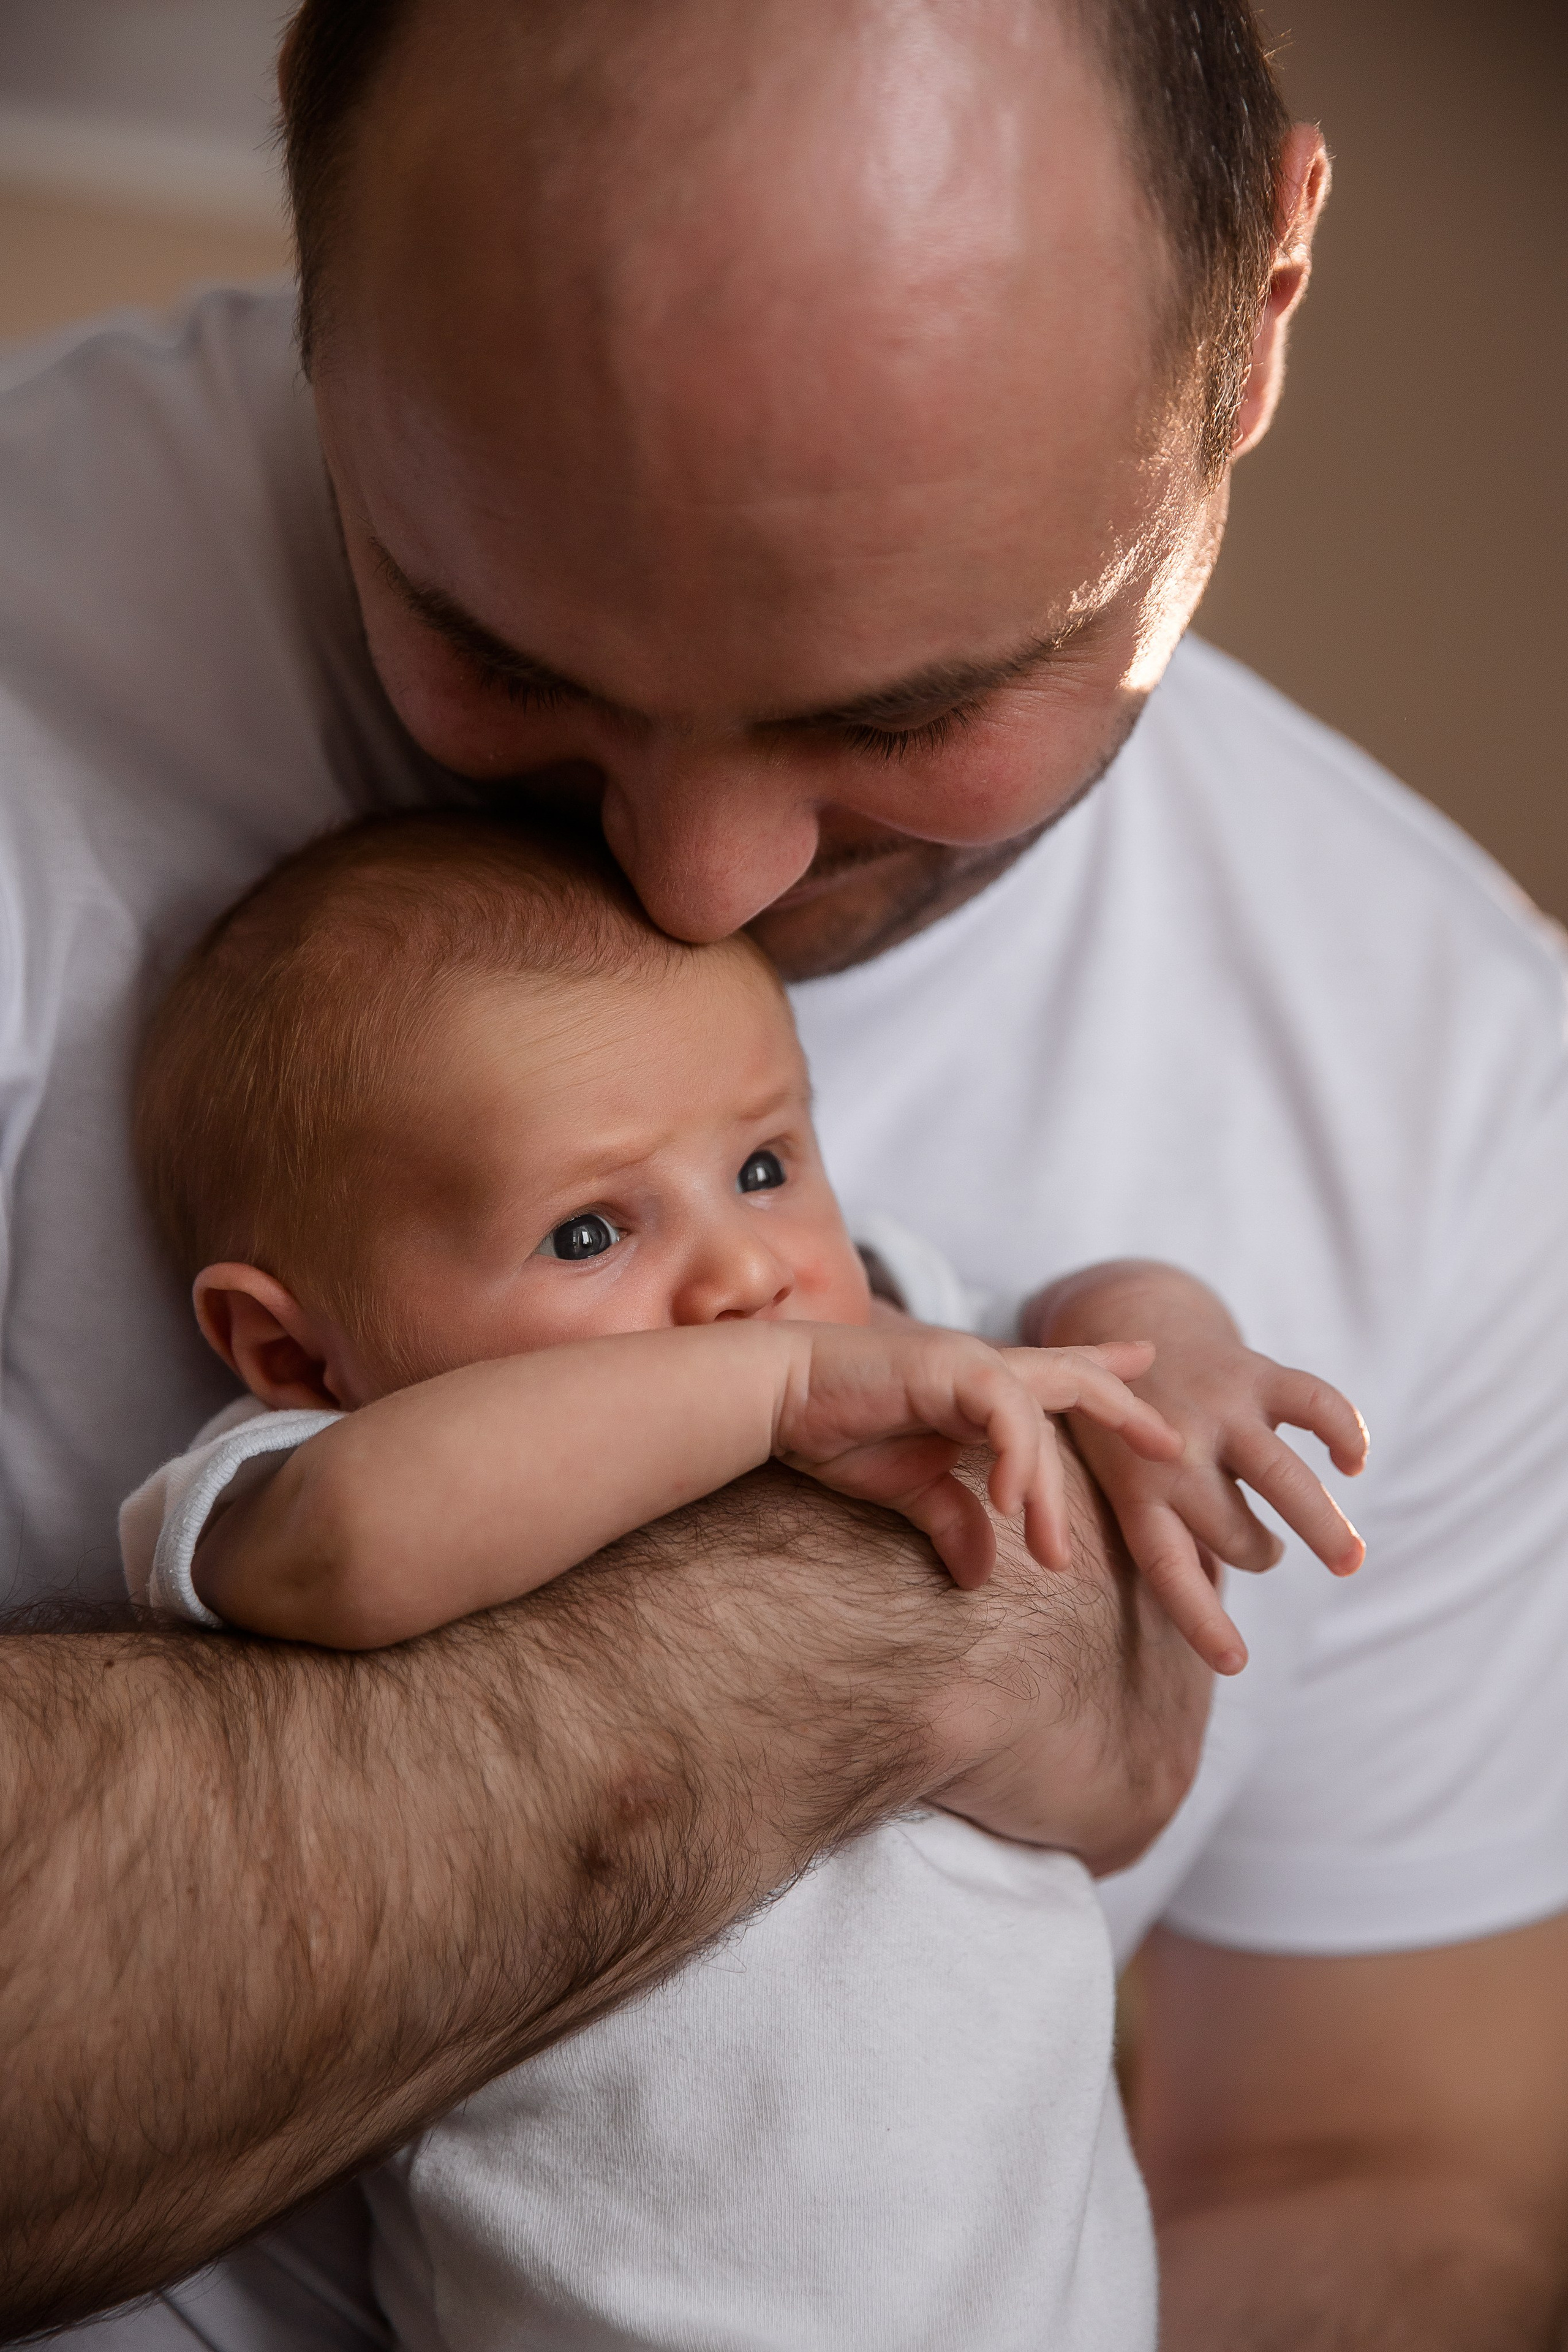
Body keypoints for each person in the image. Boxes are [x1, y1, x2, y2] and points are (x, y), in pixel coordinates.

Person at [2, 1, 1566, 2346]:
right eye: (493, 648)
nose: (707, 881)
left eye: (913, 713)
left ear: (1257, 319)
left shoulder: (1452, 1063)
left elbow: (1364, 2162)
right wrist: (879, 1622)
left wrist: (1174, 1380)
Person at [114, 810, 1363, 2348]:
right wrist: (769, 1397)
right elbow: (350, 1552)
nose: (744, 1276)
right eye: (588, 1230)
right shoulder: (325, 1466)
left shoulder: (896, 1325)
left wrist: (1172, 1351)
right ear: (297, 1351)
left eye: (765, 1164)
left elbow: (1072, 1317)